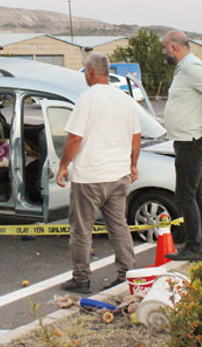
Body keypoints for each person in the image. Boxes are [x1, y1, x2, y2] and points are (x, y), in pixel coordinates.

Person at [56, 53, 141, 293]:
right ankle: (127, 274)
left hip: (90, 177)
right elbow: (136, 137)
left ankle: (81, 278)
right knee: (119, 226)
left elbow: (74, 138)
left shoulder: (87, 98)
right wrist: (133, 165)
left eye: (85, 70)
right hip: (119, 175)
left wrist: (63, 166)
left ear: (91, 72)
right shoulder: (125, 99)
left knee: (82, 230)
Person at [161, 31, 202, 262]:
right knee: (196, 195)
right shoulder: (185, 68)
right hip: (189, 141)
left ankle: (193, 246)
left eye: (165, 48)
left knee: (185, 195)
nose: (164, 52)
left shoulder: (190, 67)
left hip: (192, 142)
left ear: (175, 48)